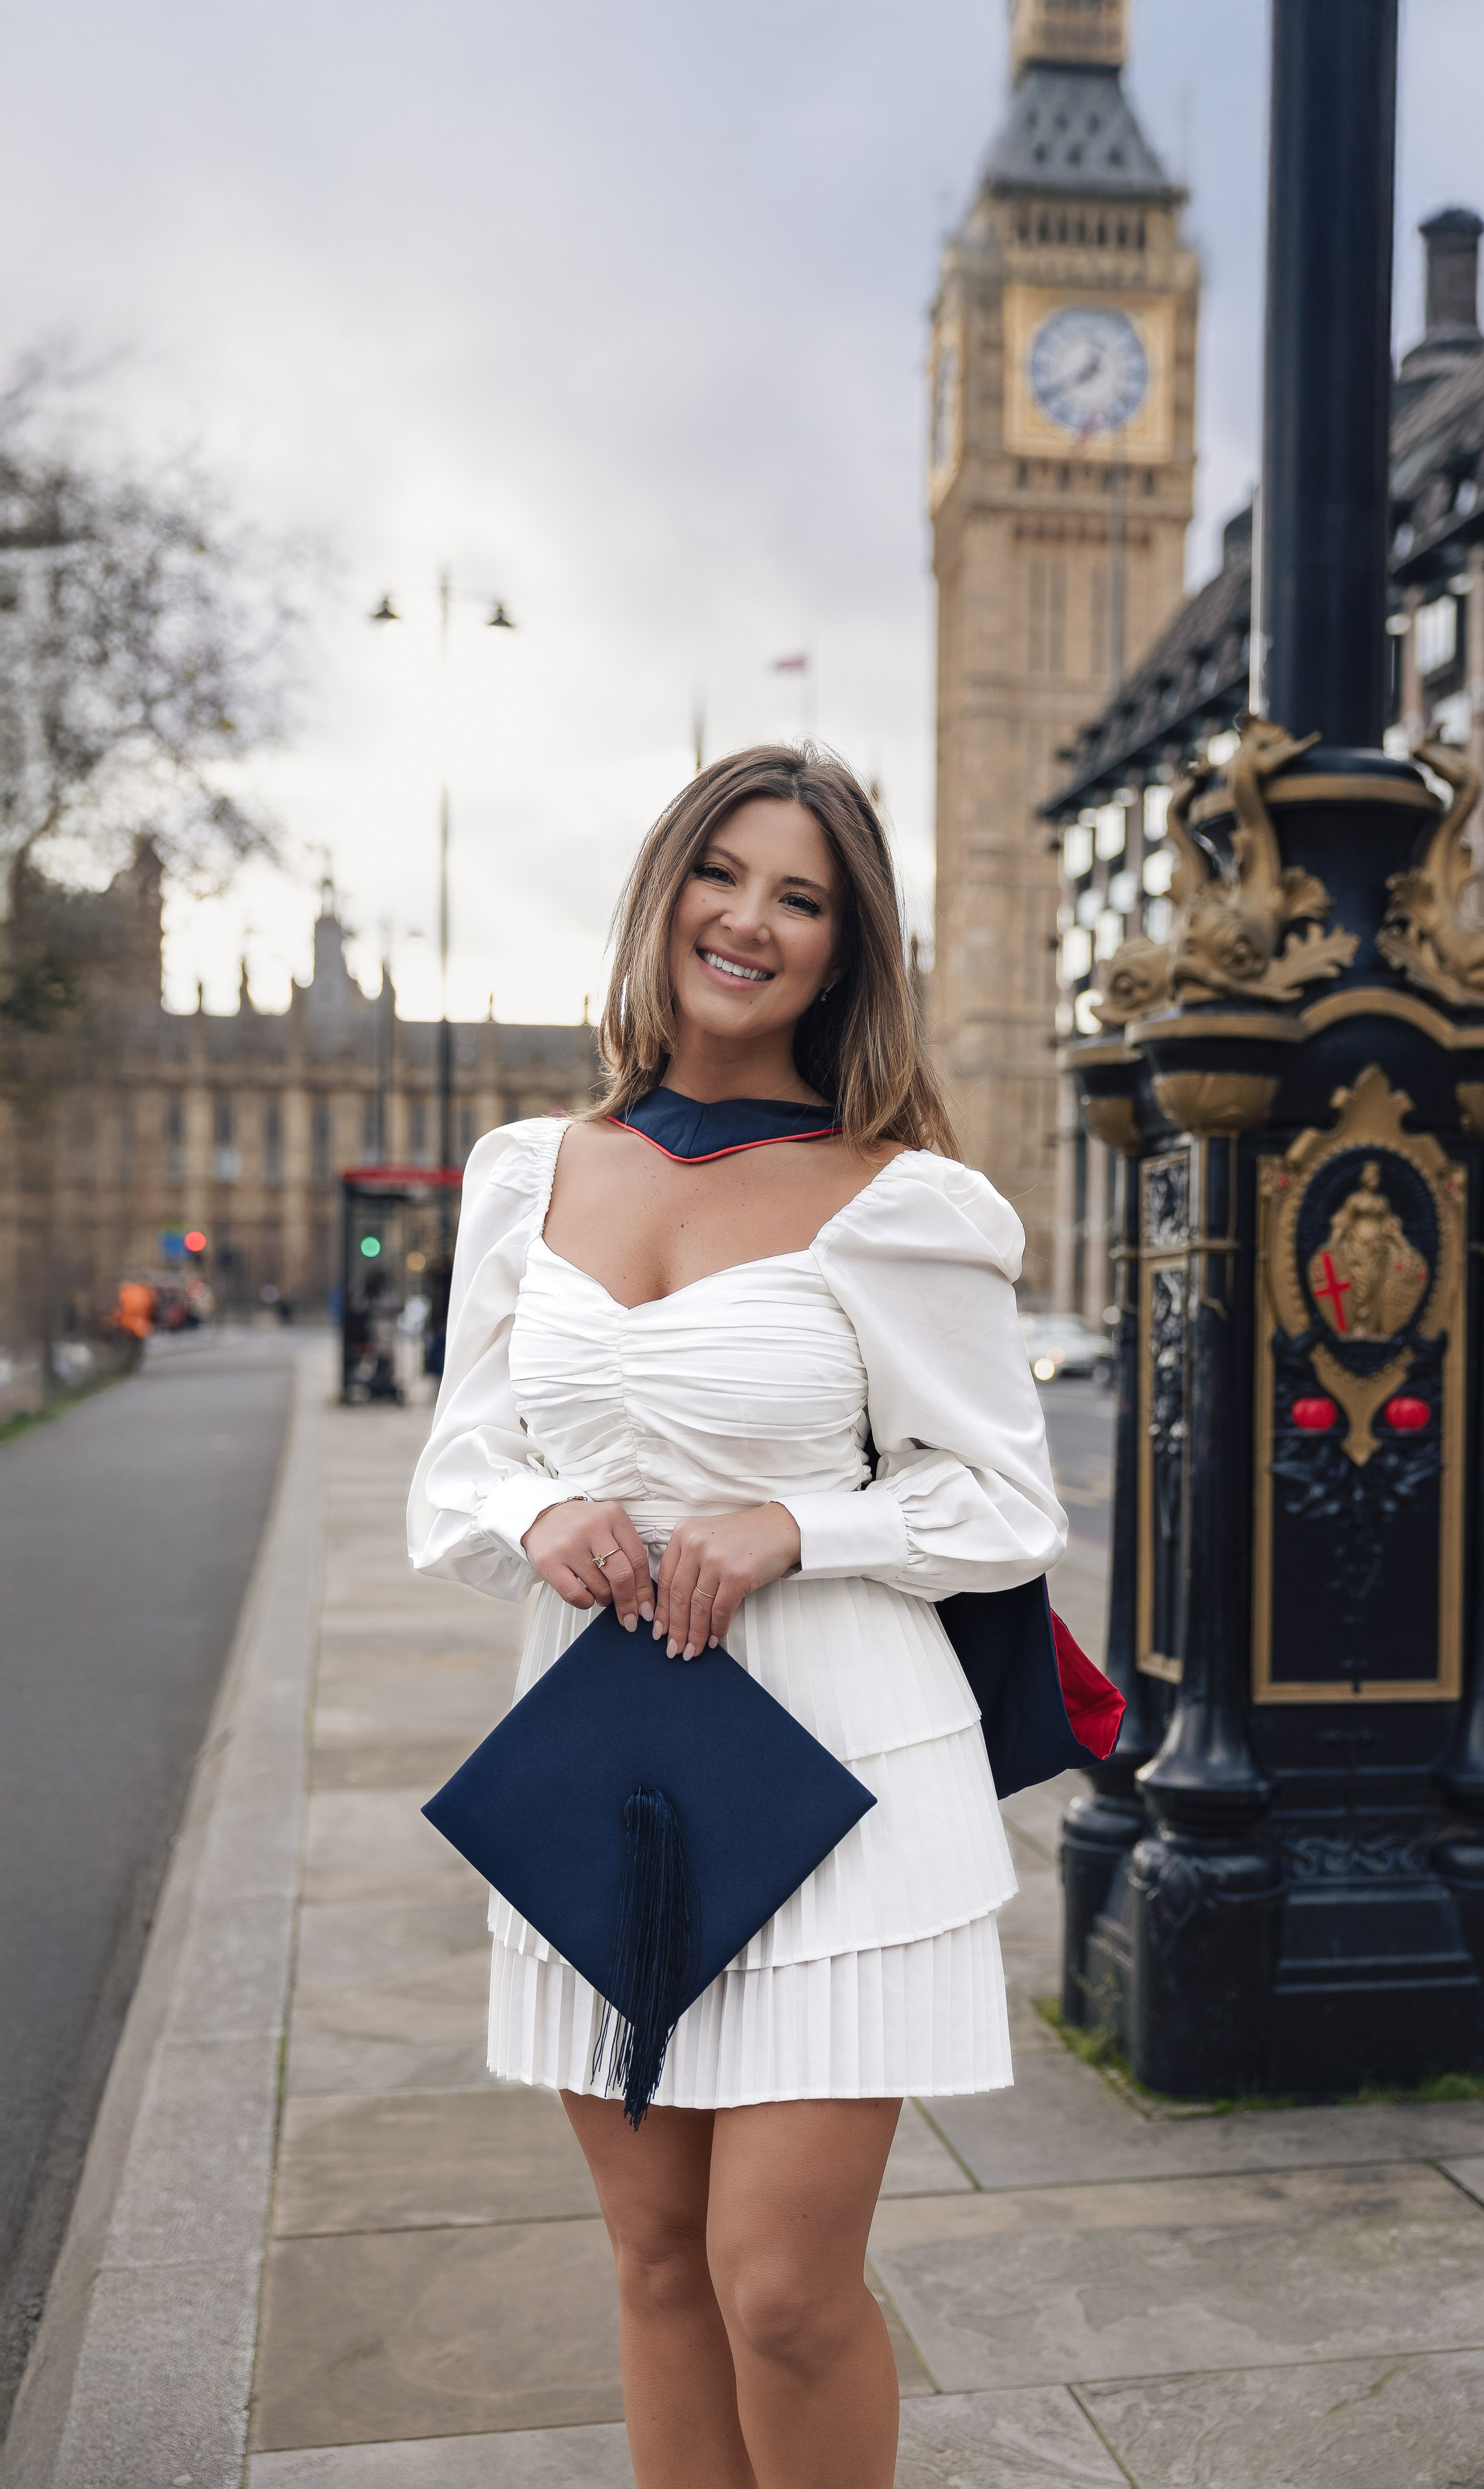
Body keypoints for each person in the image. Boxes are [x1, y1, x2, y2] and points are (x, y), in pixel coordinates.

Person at [408, 746, 1065, 2489]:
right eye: (723, 871)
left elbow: (1006, 1505)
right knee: (651, 2260)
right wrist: (537, 1507)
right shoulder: (525, 1172)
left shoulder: (900, 1197)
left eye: (803, 896)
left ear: (845, 950)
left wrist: (799, 1522)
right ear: (663, 889)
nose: (750, 920)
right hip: (599, 1763)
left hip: (842, 1773)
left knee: (779, 2285)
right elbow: (455, 1473)